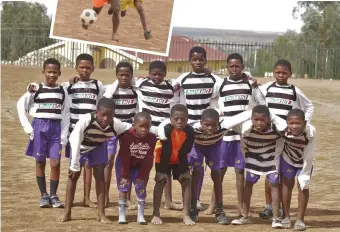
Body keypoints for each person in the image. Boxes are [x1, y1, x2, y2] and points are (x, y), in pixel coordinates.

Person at [26, 53, 104, 208]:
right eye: (81, 67)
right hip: (73, 131)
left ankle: (86, 198)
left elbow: (101, 103)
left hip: (91, 131)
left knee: (88, 165)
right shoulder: (67, 87)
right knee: (74, 165)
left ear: (93, 68)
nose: (84, 70)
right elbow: (64, 110)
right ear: (76, 68)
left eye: (88, 67)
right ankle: (55, 196)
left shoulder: (98, 85)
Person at [204, 53, 263, 216]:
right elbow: (211, 100)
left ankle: (241, 205)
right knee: (219, 170)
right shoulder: (221, 84)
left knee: (239, 171)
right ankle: (213, 205)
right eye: (231, 66)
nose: (234, 69)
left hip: (241, 136)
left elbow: (260, 102)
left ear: (242, 67)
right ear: (227, 67)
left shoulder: (249, 84)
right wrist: (218, 113)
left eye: (238, 66)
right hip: (225, 134)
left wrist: (256, 86)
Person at [257, 59, 314, 220]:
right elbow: (257, 98)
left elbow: (309, 107)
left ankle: (282, 208)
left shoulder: (295, 91)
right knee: (271, 171)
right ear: (273, 72)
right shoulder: (266, 88)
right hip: (270, 136)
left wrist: (304, 124)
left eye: (284, 72)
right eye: (278, 72)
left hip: (288, 138)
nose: (281, 75)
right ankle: (269, 206)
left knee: (284, 172)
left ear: (290, 74)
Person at [60, 98, 131, 223]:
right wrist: (75, 165)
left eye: (109, 115)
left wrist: (155, 131)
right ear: (97, 112)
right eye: (103, 115)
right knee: (73, 176)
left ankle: (101, 214)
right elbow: (75, 140)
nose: (105, 119)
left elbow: (131, 127)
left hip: (98, 147)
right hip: (80, 147)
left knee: (100, 177)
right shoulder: (86, 120)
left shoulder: (116, 124)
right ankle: (67, 212)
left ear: (114, 115)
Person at [17, 58, 70, 208]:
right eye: (49, 71)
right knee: (40, 161)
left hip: (56, 128)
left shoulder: (62, 91)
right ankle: (44, 195)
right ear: (43, 72)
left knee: (56, 162)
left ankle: (54, 195)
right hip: (39, 126)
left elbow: (66, 114)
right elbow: (21, 106)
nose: (52, 75)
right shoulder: (35, 89)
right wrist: (28, 128)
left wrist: (64, 136)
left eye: (55, 72)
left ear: (59, 73)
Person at [189, 108, 253, 224]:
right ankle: (193, 208)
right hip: (197, 147)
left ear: (218, 123)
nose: (209, 128)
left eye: (213, 125)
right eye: (206, 125)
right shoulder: (192, 127)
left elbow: (247, 114)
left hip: (214, 147)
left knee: (217, 176)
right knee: (196, 174)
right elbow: (169, 122)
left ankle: (219, 211)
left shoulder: (226, 124)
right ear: (200, 122)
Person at [230, 105, 287, 228]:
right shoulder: (245, 128)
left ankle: (276, 218)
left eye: (263, 120)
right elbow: (230, 121)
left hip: (271, 159)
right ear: (251, 119)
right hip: (253, 159)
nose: (259, 123)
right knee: (248, 184)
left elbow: (284, 126)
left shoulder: (276, 129)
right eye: (256, 120)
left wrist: (273, 116)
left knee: (274, 184)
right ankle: (244, 216)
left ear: (268, 119)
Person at [151, 104, 195, 225]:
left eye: (183, 119)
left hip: (179, 158)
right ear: (171, 119)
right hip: (163, 157)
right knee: (161, 181)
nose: (180, 121)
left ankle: (186, 215)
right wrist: (164, 171)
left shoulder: (190, 131)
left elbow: (186, 150)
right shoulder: (166, 129)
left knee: (186, 180)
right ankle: (156, 213)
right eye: (176, 118)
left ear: (187, 119)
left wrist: (181, 167)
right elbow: (166, 149)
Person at [103, 61, 139, 208]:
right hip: (111, 129)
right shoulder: (110, 91)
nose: (124, 77)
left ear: (131, 76)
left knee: (127, 162)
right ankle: (104, 196)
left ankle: (126, 196)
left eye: (127, 75)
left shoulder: (136, 90)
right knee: (108, 161)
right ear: (116, 75)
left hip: (128, 130)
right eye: (121, 75)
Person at [115, 112, 157, 224]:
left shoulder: (152, 138)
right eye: (141, 126)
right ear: (134, 125)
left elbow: (148, 158)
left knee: (141, 187)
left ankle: (140, 215)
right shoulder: (127, 137)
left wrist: (142, 175)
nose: (144, 129)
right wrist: (124, 175)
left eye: (147, 127)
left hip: (139, 166)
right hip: (124, 165)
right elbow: (125, 157)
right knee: (124, 187)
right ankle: (122, 215)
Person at [280, 109, 316, 231]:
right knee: (286, 184)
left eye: (298, 123)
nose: (294, 126)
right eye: (291, 123)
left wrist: (305, 175)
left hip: (304, 160)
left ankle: (300, 219)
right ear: (287, 123)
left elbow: (309, 153)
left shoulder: (310, 132)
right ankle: (286, 216)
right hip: (287, 159)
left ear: (305, 123)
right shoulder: (282, 130)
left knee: (303, 186)